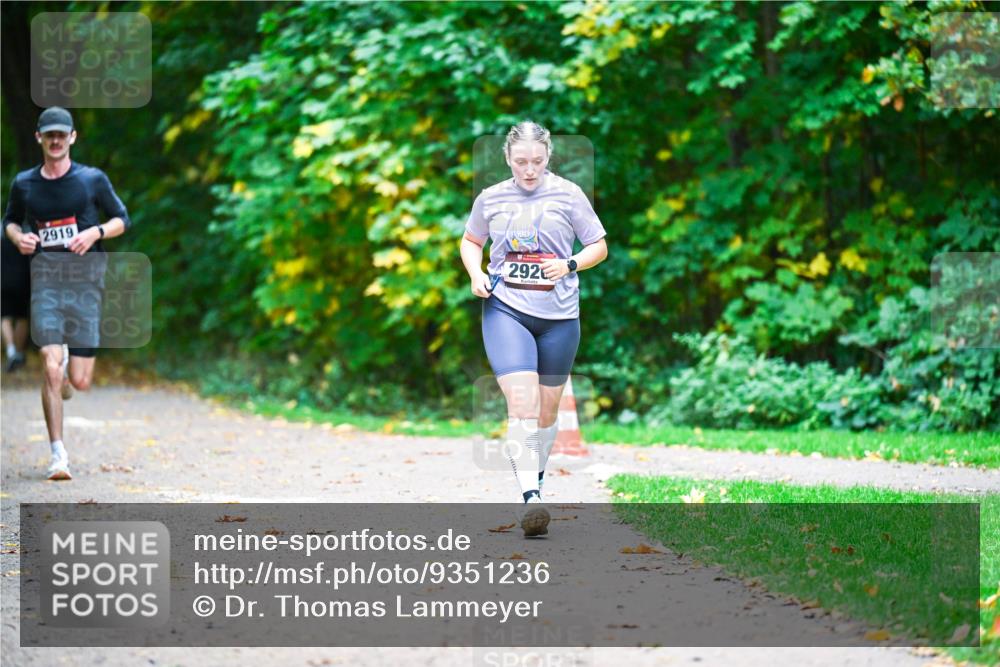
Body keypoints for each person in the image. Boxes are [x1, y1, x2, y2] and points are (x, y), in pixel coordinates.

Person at [460, 121, 608, 537]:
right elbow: (471, 241)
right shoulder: (491, 198)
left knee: (546, 411)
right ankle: (530, 499)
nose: (529, 170)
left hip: (559, 317)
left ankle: (536, 482)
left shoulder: (569, 194)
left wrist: (570, 263)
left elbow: (598, 245)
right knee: (522, 403)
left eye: (537, 161)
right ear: (507, 158)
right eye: (521, 161)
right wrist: (476, 273)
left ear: (548, 158)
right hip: (506, 310)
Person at [2, 107, 132, 481]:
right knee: (49, 362)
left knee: (80, 381)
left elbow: (123, 219)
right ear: (39, 138)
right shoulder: (25, 184)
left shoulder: (92, 180)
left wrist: (95, 233)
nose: (56, 140)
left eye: (62, 134)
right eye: (50, 135)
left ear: (72, 137)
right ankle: (58, 455)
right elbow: (9, 221)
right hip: (46, 283)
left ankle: (66, 371)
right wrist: (18, 238)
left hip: (86, 284)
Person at [1, 233, 31, 372]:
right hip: (22, 281)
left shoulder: (2, 239)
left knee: (4, 317)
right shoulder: (26, 239)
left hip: (3, 282)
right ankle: (18, 354)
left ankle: (11, 351)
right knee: (22, 317)